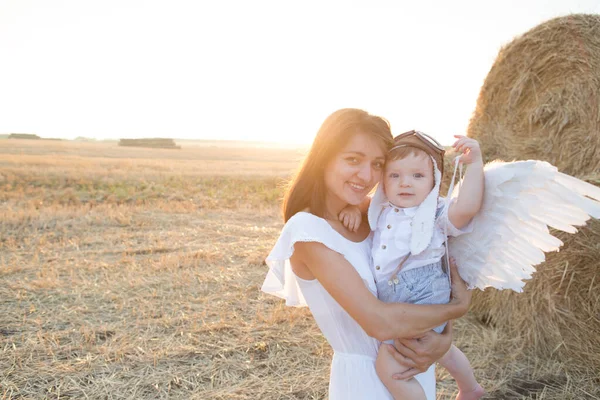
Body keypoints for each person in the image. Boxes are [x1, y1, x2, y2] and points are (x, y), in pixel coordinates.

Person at [261, 109, 473, 400]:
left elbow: (422, 283)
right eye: (353, 160)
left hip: (412, 371)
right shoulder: (307, 231)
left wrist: (443, 340)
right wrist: (457, 309)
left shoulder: (380, 217)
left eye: (377, 164)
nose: (367, 176)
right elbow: (379, 322)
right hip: (364, 384)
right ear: (324, 157)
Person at [339, 131, 485, 400]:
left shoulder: (435, 213)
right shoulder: (381, 208)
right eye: (395, 176)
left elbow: (467, 207)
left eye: (417, 176)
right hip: (398, 295)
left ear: (434, 182)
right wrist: (352, 210)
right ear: (383, 182)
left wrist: (475, 164)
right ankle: (470, 388)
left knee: (390, 363)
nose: (405, 183)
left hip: (422, 294)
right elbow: (363, 207)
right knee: (443, 350)